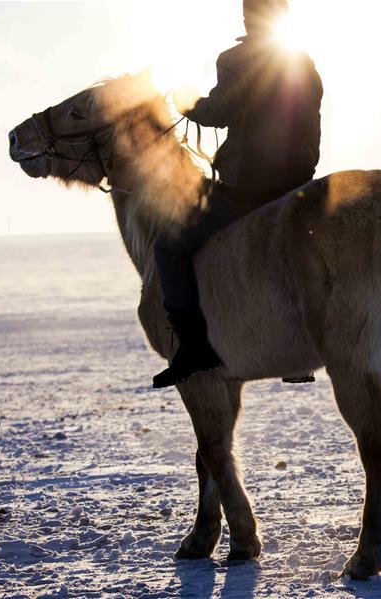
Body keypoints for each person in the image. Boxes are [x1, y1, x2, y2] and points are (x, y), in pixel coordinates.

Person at [152, 0, 322, 388]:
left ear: (248, 16)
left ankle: (194, 347)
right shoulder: (304, 63)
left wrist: (186, 101)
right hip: (298, 185)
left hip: (251, 186)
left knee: (170, 247)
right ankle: (299, 356)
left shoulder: (238, 58)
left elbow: (219, 110)